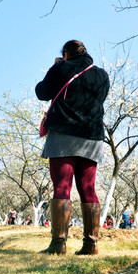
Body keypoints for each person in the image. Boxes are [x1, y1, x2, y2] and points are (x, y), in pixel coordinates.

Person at [36, 40, 110, 255]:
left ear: (66, 53)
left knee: (62, 186)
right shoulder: (102, 74)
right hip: (92, 135)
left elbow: (42, 92)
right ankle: (91, 245)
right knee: (88, 187)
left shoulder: (60, 68)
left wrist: (56, 67)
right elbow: (99, 100)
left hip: (63, 133)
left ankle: (58, 244)